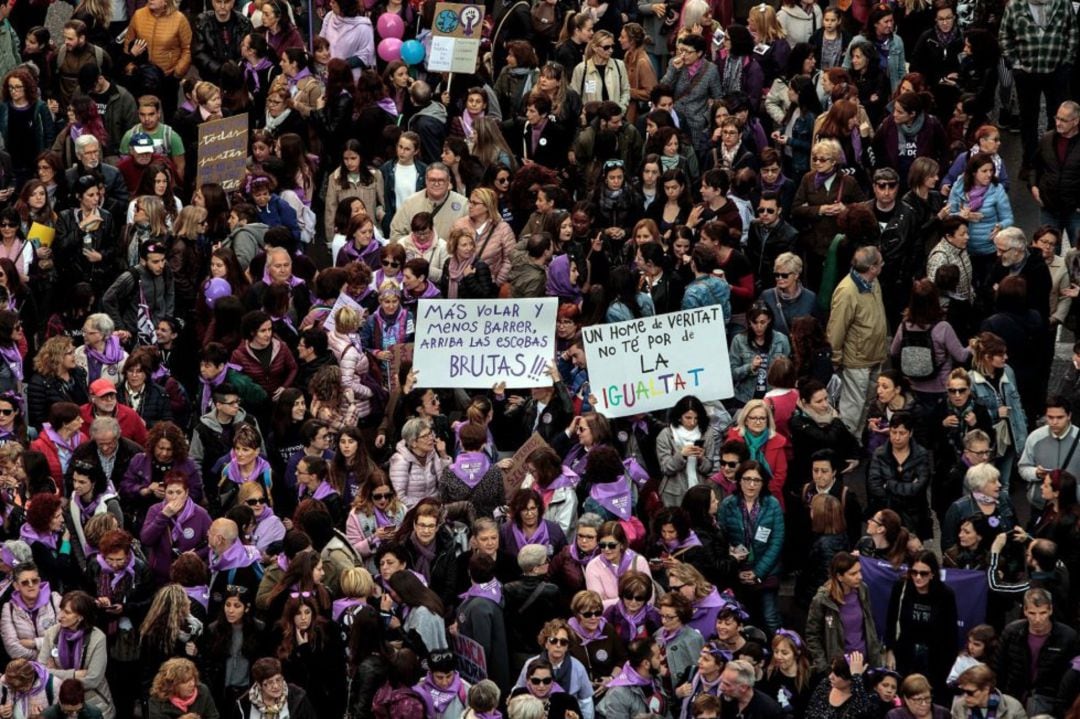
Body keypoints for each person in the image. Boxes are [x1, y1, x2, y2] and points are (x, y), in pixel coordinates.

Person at [827, 245, 888, 437]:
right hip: (856, 361)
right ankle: (847, 448)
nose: (883, 265)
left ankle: (858, 443)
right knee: (852, 409)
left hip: (875, 356)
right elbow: (836, 329)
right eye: (880, 263)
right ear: (872, 268)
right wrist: (835, 359)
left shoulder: (874, 283)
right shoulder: (846, 292)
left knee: (866, 405)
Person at [719, 461, 785, 633]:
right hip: (737, 569)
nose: (751, 484)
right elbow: (722, 539)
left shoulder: (772, 504)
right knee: (741, 619)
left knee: (770, 618)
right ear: (739, 480)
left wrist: (759, 572)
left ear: (763, 483)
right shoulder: (728, 504)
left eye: (757, 480)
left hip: (766, 570)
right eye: (747, 479)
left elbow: (777, 541)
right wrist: (735, 567)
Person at [884, 551, 958, 697]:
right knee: (903, 695)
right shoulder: (901, 587)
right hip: (905, 652)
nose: (918, 577)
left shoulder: (945, 594)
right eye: (914, 572)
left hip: (934, 657)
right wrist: (890, 650)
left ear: (933, 574)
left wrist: (949, 664)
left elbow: (951, 631)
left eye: (923, 573)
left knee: (930, 696)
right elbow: (891, 620)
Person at [997, 587, 1077, 716]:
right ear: (1025, 611)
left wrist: (1061, 707)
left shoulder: (1068, 637)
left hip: (1049, 702)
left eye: (1043, 612)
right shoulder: (1011, 632)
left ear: (1050, 610)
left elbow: (1071, 678)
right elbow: (999, 668)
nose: (1037, 619)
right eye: (1032, 613)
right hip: (1013, 698)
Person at [38, 591, 114, 719]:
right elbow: (41, 671)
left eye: (67, 612)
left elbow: (92, 680)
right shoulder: (51, 633)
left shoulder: (98, 638)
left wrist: (54, 672)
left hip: (93, 704)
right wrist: (74, 674)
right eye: (61, 610)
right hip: (61, 705)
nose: (60, 616)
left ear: (81, 616)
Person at [805, 552, 884, 674]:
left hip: (865, 663)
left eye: (859, 571)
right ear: (839, 577)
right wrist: (824, 667)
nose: (860, 576)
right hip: (839, 668)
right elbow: (812, 636)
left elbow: (869, 625)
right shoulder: (822, 600)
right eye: (853, 574)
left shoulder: (863, 590)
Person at [1031, 102, 1080, 243]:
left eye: (1063, 120)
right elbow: (1034, 165)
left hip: (1074, 210)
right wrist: (1034, 186)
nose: (1058, 123)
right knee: (1047, 254)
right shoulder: (1047, 139)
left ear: (1076, 121)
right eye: (1057, 118)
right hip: (1049, 207)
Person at [656, 396, 716, 508]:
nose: (692, 422)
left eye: (696, 418)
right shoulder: (666, 434)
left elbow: (709, 468)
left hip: (699, 490)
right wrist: (681, 455)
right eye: (688, 418)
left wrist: (701, 459)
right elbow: (666, 468)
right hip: (674, 493)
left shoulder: (707, 433)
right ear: (679, 417)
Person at [595, 638, 665, 719]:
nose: (662, 658)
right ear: (646, 664)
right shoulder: (617, 694)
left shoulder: (655, 677)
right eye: (658, 657)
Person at [235, 657, 318, 719]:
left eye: (278, 680)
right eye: (270, 682)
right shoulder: (244, 705)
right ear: (259, 685)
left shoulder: (297, 697)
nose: (276, 686)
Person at [146, 658, 219, 719]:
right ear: (172, 685)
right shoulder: (157, 700)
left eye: (192, 679)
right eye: (186, 681)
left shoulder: (203, 691)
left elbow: (214, 717)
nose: (192, 684)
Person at [949, 664, 1025, 719]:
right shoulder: (959, 706)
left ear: (986, 689)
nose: (965, 696)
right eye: (963, 691)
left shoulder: (1013, 707)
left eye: (970, 692)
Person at [717, 658, 784, 719]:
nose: (721, 688)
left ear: (743, 687)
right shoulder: (724, 700)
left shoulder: (770, 710)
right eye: (722, 682)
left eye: (727, 685)